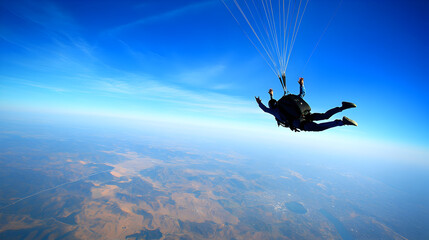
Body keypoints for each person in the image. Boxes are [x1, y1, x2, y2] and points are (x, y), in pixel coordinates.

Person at [255, 77, 357, 132]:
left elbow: (266, 109)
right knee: (325, 115)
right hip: (307, 114)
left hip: (301, 123)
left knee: (319, 127)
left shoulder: (275, 111)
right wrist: (302, 84)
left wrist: (260, 103)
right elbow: (302, 94)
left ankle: (342, 122)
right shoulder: (285, 103)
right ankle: (342, 107)